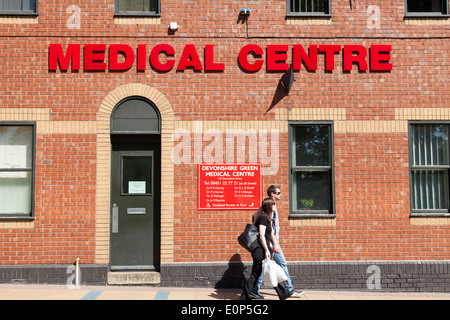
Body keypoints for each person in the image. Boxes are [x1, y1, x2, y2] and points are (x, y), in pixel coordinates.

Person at [251, 185, 304, 299]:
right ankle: (288, 290)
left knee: (267, 265)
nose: (281, 195)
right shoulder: (269, 208)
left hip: (272, 241)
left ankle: (256, 290)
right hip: (271, 242)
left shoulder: (271, 207)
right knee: (270, 265)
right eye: (278, 193)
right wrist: (273, 243)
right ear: (272, 194)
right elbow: (268, 229)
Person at [241, 198, 289, 300]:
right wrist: (267, 250)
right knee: (255, 274)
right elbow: (262, 236)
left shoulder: (268, 218)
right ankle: (244, 297)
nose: (275, 206)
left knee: (268, 272)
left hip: (264, 249)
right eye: (274, 204)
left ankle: (282, 294)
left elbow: (268, 236)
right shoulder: (263, 218)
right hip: (260, 251)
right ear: (269, 206)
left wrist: (273, 247)